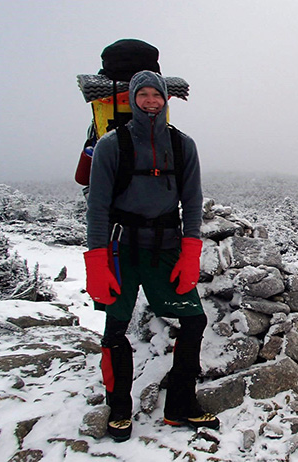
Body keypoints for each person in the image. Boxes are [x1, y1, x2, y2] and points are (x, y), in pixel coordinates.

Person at [83, 70, 219, 442]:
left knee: (193, 321)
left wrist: (191, 253)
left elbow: (192, 203)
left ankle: (180, 404)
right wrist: (97, 262)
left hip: (167, 247)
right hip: (120, 247)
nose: (150, 101)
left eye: (155, 94)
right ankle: (119, 409)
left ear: (165, 99)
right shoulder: (113, 145)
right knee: (115, 327)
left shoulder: (182, 145)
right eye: (142, 95)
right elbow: (96, 208)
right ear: (131, 98)